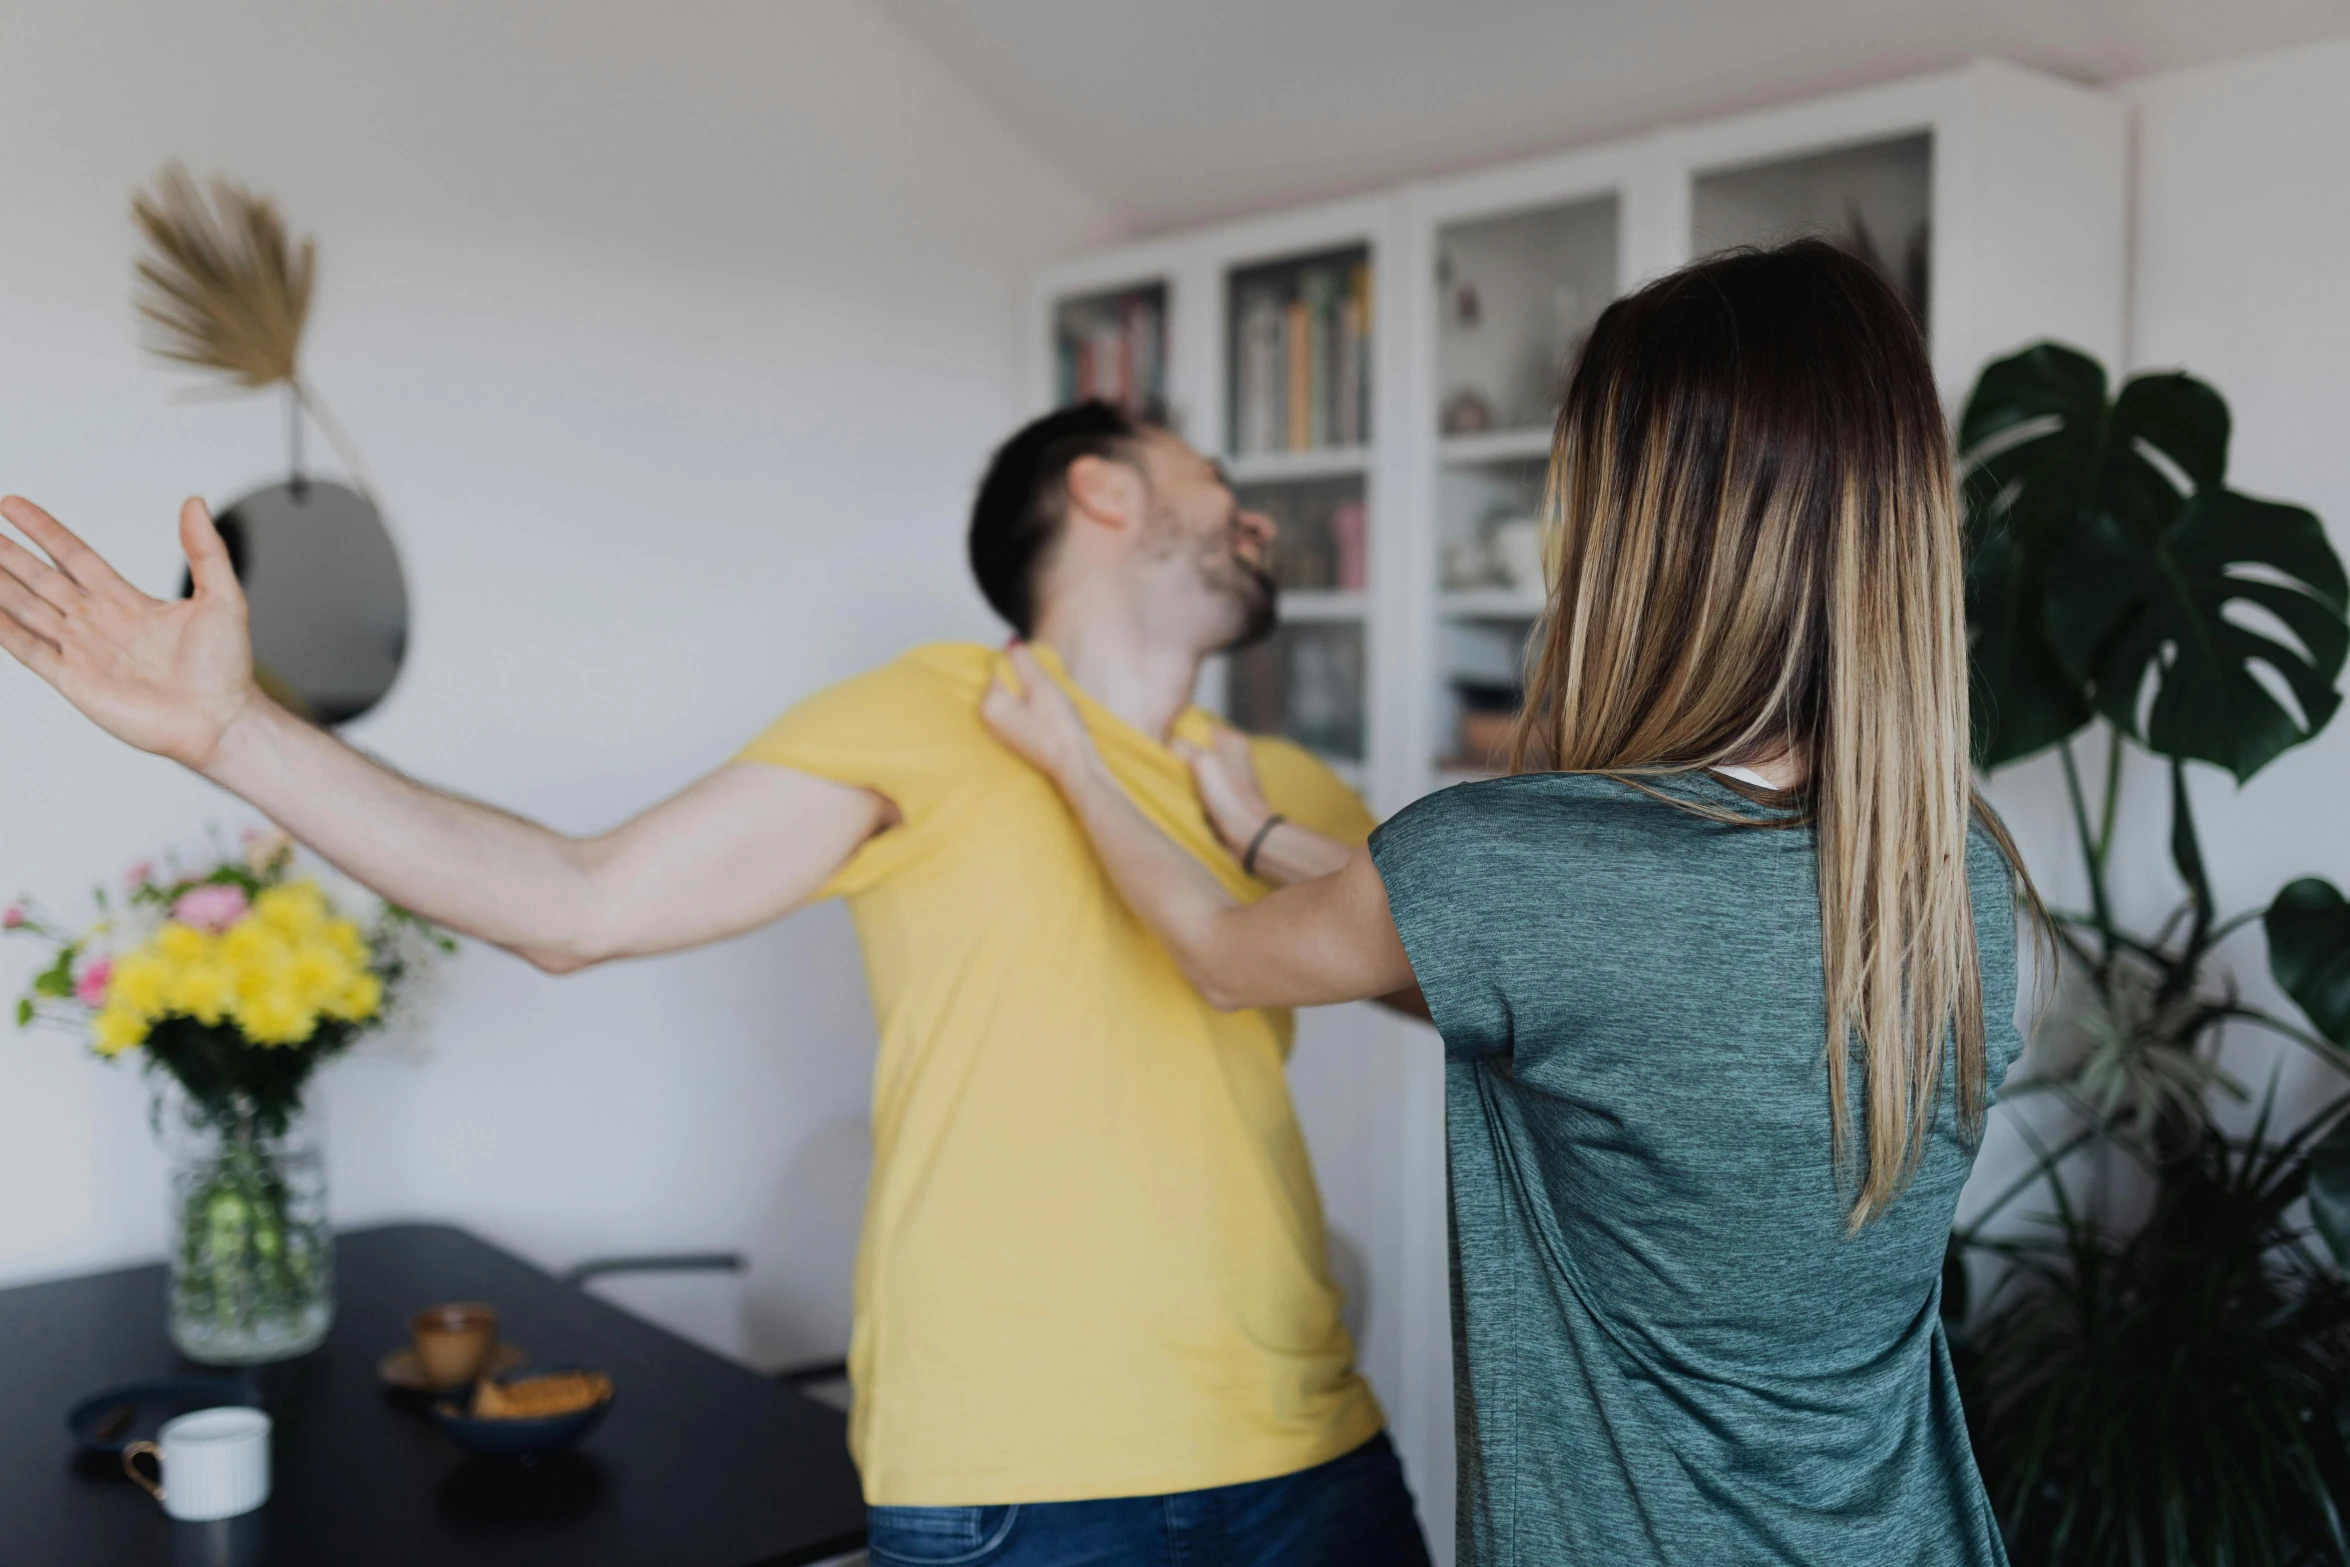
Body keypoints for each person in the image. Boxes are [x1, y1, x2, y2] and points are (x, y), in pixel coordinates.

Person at [0, 402, 1432, 1566]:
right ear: (1103, 491)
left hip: (1311, 1446)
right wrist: (233, 733)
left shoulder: (1277, 788)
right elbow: (577, 903)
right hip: (1023, 1478)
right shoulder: (927, 714)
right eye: (1216, 480)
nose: (1254, 516)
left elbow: (1477, 985)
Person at [983, 241, 2035, 1566]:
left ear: (1643, 531)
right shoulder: (1954, 877)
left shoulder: (1513, 859)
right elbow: (1584, 992)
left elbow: (1214, 956)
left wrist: (1069, 758)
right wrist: (1255, 826)